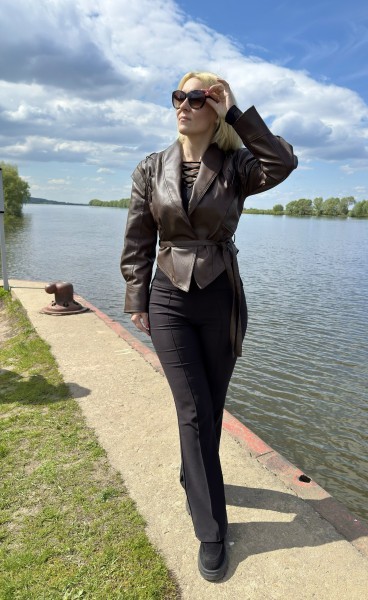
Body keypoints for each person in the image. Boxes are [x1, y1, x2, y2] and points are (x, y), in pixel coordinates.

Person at [120, 71, 297, 581]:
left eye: (198, 97)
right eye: (179, 95)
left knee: (210, 407)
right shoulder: (151, 167)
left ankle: (191, 474)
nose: (184, 103)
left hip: (221, 295)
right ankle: (212, 530)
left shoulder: (238, 166)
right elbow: (138, 237)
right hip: (168, 296)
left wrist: (237, 113)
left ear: (215, 109)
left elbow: (282, 162)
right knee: (193, 409)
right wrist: (136, 296)